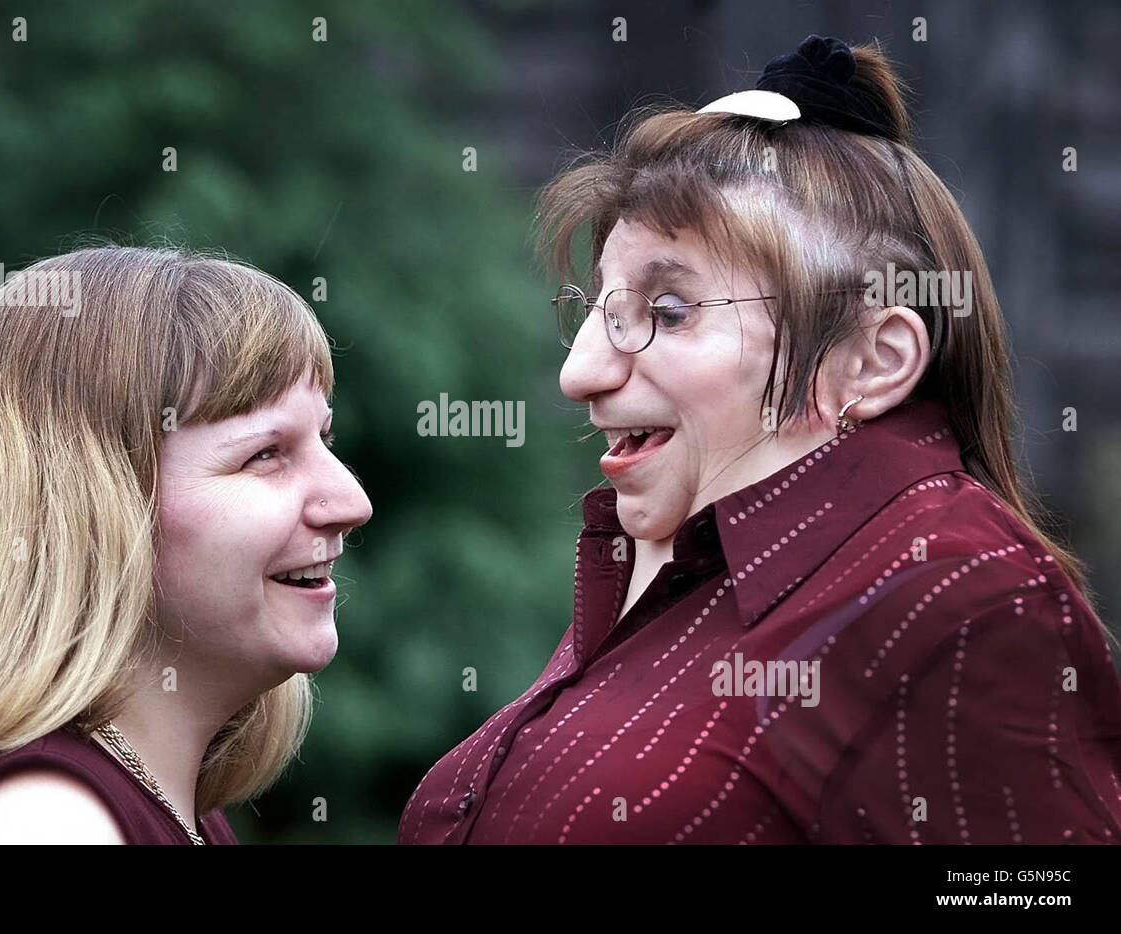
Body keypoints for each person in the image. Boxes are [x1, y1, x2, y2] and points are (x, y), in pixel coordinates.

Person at [399, 35, 1121, 844]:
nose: (580, 372)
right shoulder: (686, 555)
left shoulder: (956, 591)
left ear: (873, 362)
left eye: (668, 312)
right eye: (598, 309)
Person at [0, 245, 372, 844]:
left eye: (324, 436)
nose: (351, 502)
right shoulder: (42, 825)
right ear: (88, 508)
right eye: (264, 454)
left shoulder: (154, 809)